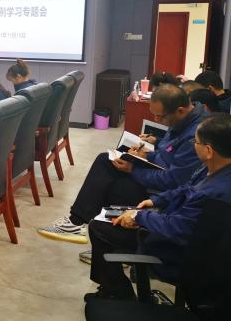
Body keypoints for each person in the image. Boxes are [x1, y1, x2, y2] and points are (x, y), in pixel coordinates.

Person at [85, 114, 231, 301]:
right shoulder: (214, 169)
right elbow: (187, 188)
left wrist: (139, 217)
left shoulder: (213, 195)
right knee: (113, 214)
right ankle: (111, 289)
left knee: (99, 228)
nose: (193, 145)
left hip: (175, 250)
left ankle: (118, 293)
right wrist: (157, 201)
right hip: (175, 223)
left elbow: (177, 228)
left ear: (208, 150)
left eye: (196, 142)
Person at [38, 84, 204, 244]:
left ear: (180, 110)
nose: (156, 120)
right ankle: (81, 225)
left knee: (111, 183)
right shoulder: (182, 121)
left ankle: (90, 230)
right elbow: (169, 151)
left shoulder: (195, 137)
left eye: (160, 117)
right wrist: (146, 154)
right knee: (106, 159)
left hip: (163, 192)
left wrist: (133, 170)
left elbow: (173, 180)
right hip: (158, 172)